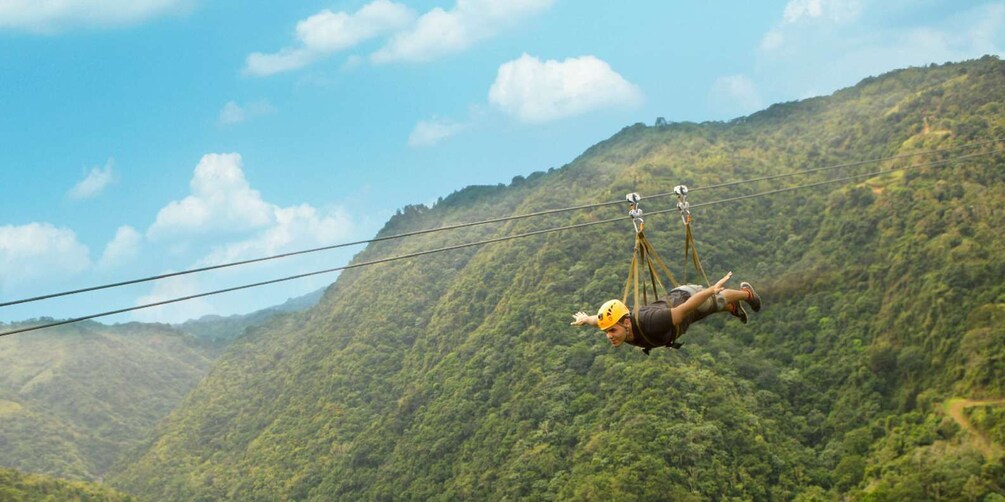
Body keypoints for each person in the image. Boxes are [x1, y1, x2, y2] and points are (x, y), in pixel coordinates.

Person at [570, 272, 761, 354]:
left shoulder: (651, 321)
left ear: (626, 322)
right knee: (712, 307)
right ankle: (733, 308)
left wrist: (709, 291)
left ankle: (747, 294)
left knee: (716, 301)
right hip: (679, 322)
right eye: (607, 332)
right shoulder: (619, 325)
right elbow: (599, 321)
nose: (609, 336)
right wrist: (586, 319)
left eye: (612, 331)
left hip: (687, 299)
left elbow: (683, 310)